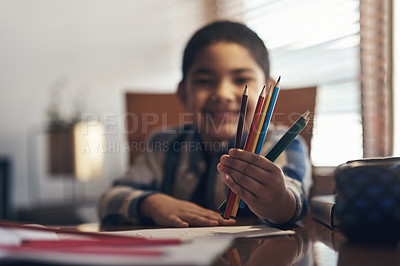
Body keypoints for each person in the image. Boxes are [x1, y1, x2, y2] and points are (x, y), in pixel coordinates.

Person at [97, 20, 311, 228]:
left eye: (240, 79)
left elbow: (295, 199)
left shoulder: (284, 143)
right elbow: (109, 200)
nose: (222, 94)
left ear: (269, 89)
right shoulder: (162, 143)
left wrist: (278, 201)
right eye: (204, 81)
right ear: (183, 93)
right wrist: (150, 204)